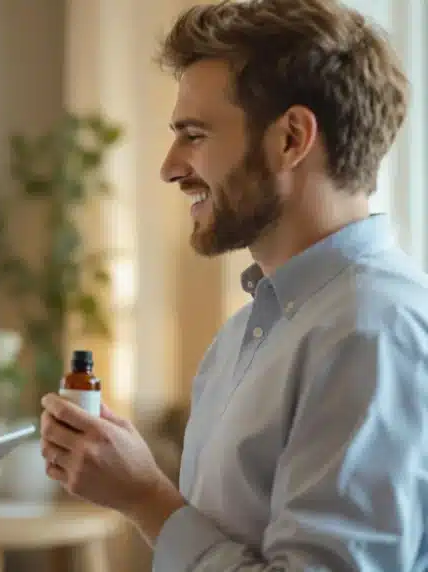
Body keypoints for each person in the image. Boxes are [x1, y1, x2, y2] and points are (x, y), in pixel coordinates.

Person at [39, 0, 427, 570]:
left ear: (291, 138)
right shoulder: (246, 334)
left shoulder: (374, 332)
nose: (170, 167)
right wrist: (139, 492)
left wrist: (146, 499)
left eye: (194, 135)